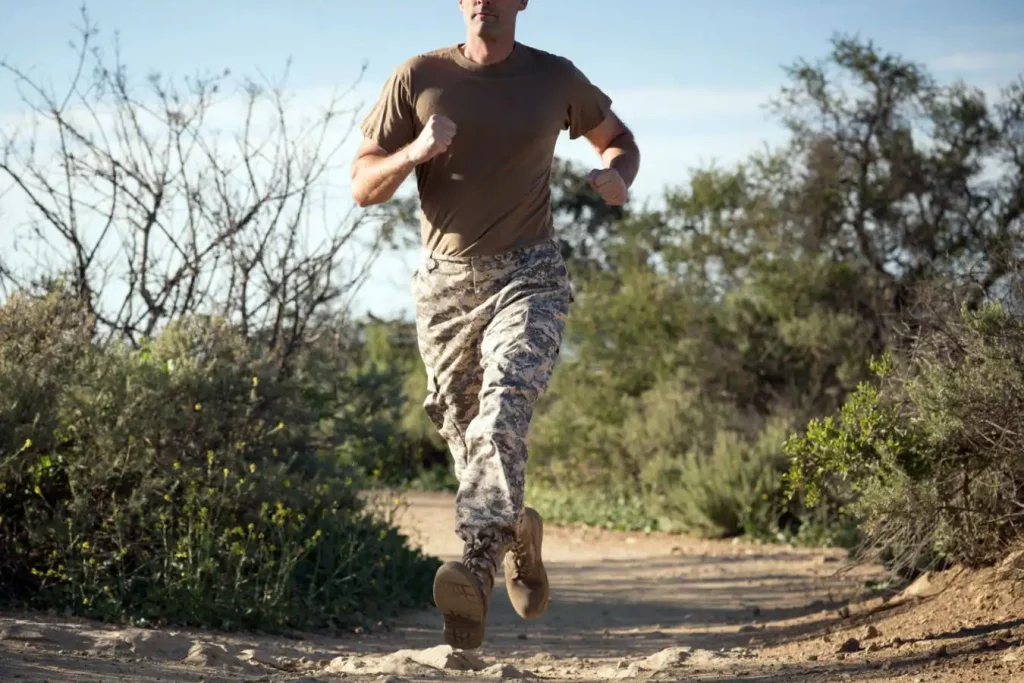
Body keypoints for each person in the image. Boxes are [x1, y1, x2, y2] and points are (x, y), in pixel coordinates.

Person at [349, 0, 640, 650]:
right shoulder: (418, 77)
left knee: (504, 402)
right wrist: (415, 151)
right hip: (446, 284)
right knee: (465, 432)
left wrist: (616, 175)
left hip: (529, 272)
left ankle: (477, 568)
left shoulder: (555, 79)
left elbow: (620, 140)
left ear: (519, 2)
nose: (482, 0)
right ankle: (516, 534)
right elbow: (362, 184)